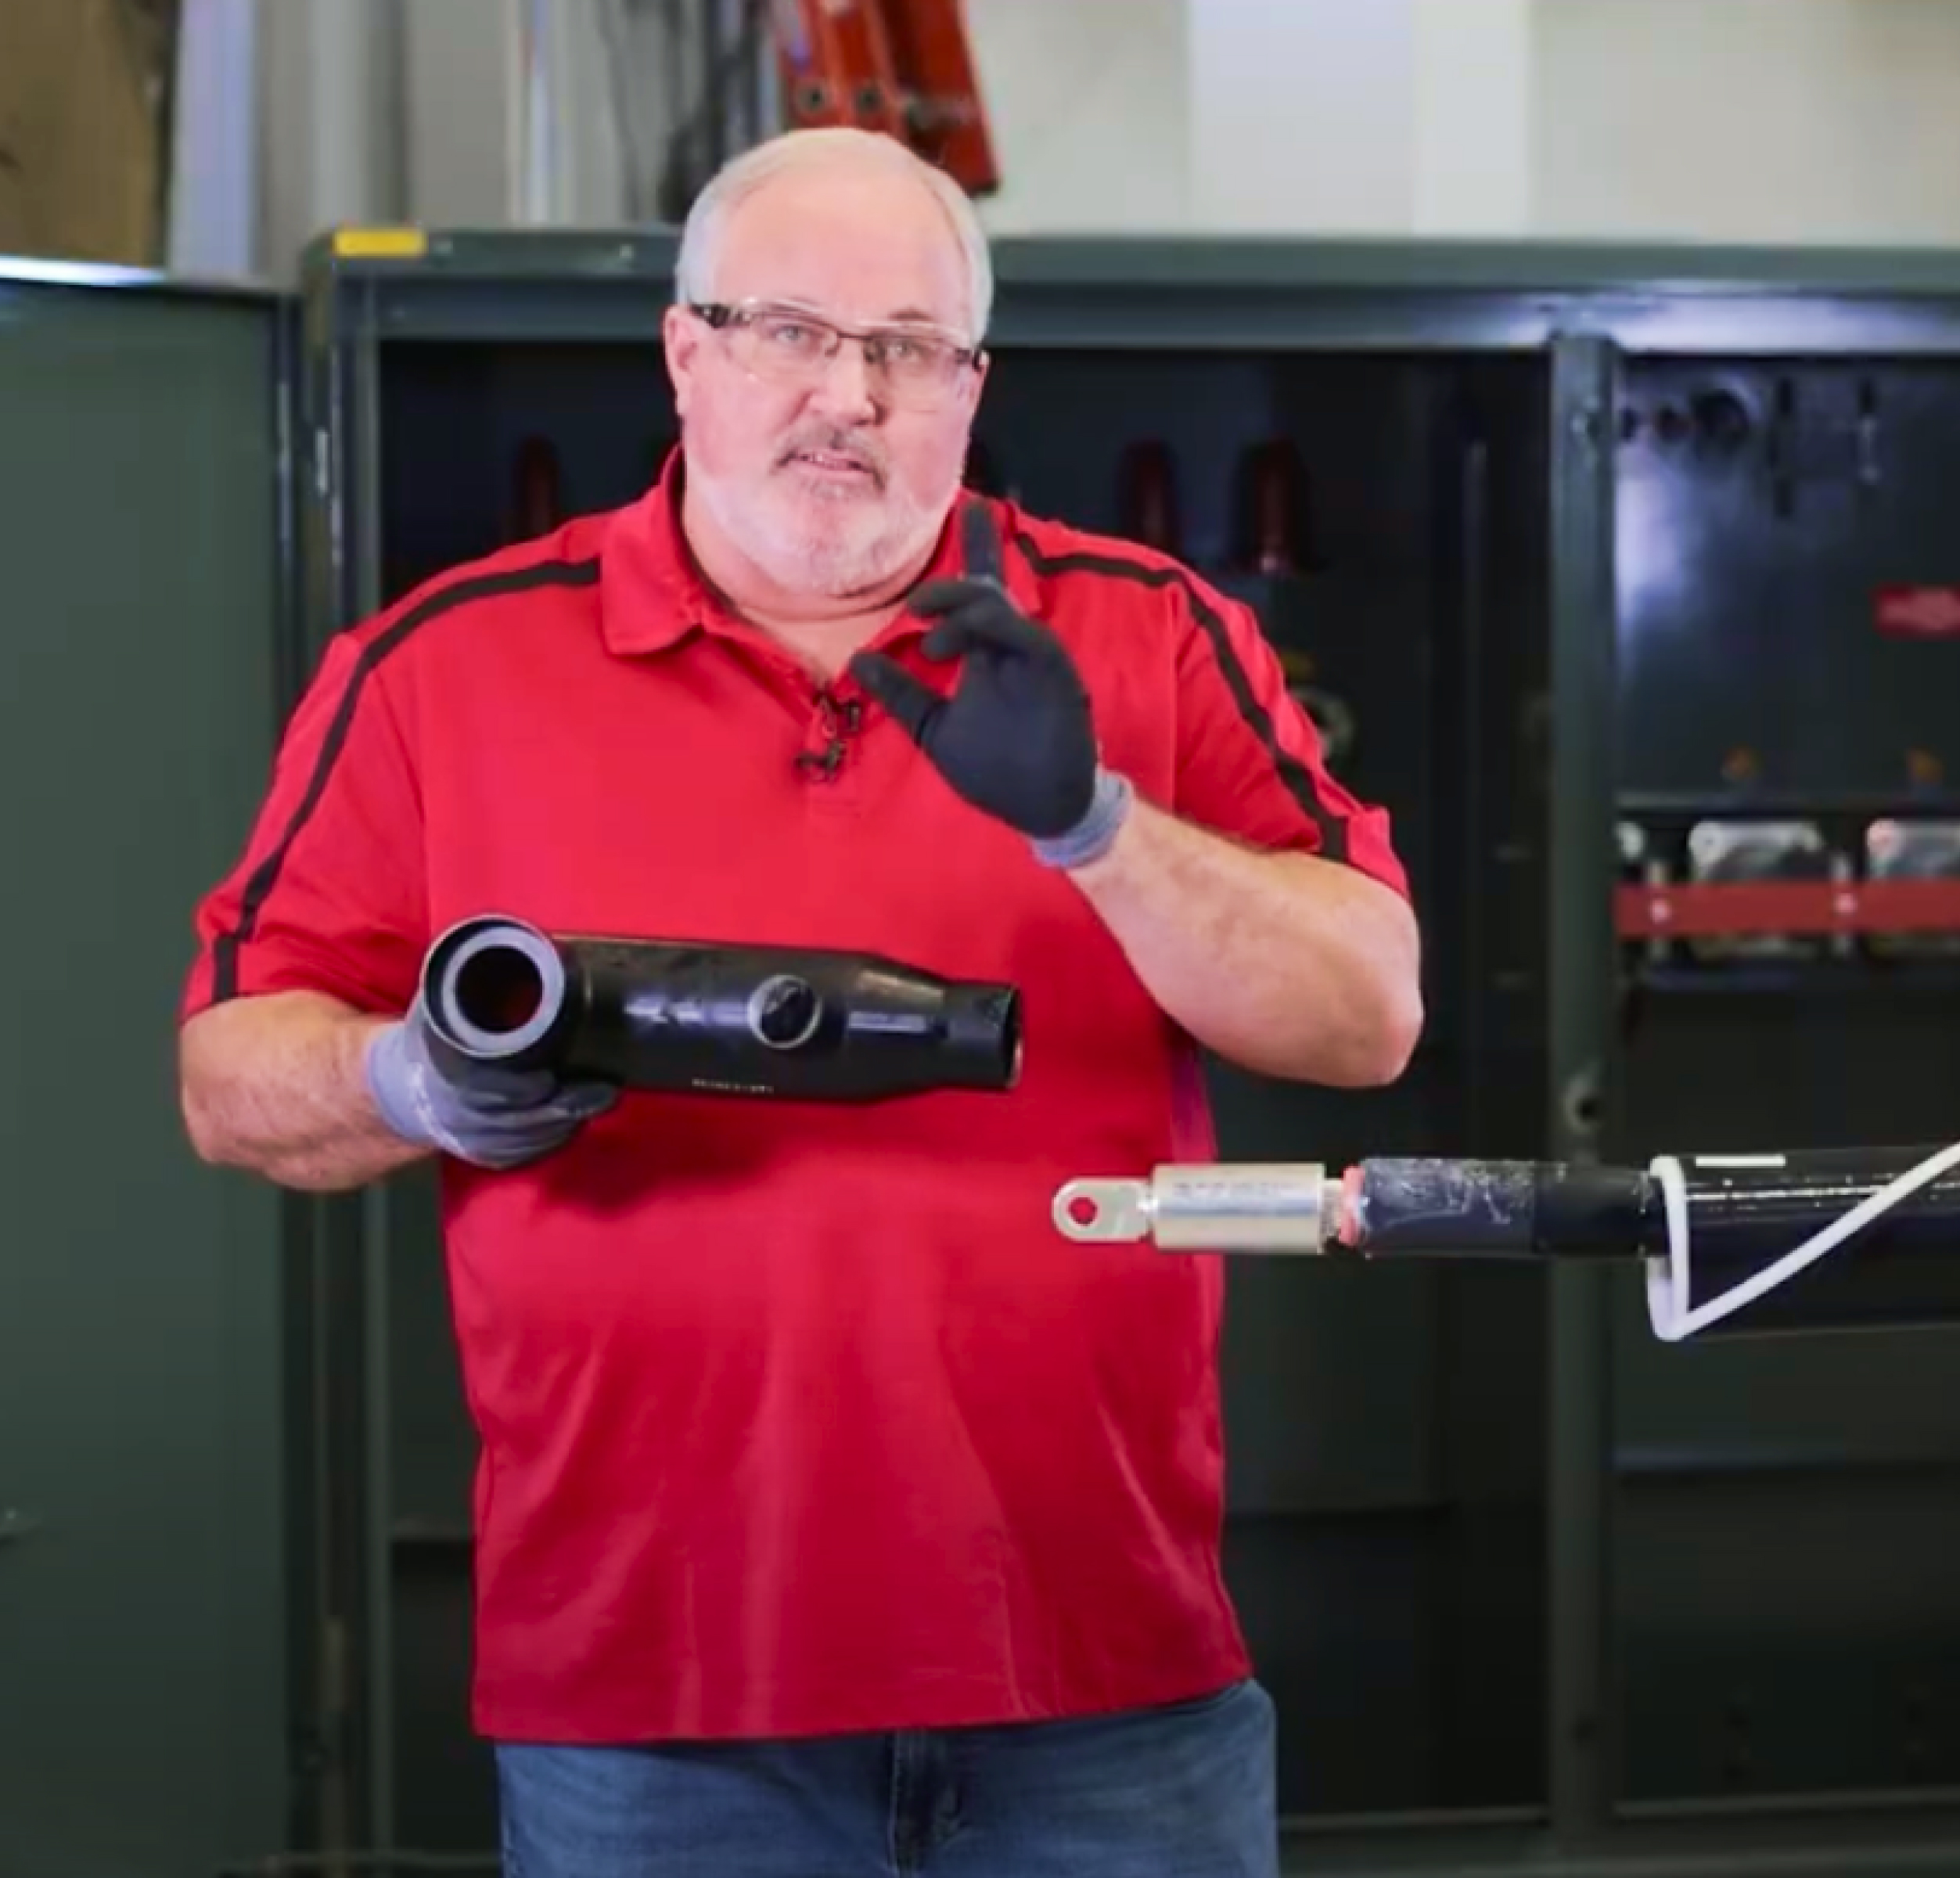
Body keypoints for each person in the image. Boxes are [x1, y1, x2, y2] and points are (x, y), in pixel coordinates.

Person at [177, 126, 1422, 1877]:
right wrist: (414, 1079)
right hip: (652, 1703)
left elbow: (1366, 1013)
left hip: (1099, 1681)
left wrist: (1096, 823)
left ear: (969, 388)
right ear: (687, 354)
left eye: (907, 348)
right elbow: (230, 1075)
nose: (848, 393)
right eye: (786, 331)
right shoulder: (441, 669)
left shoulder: (1146, 636)